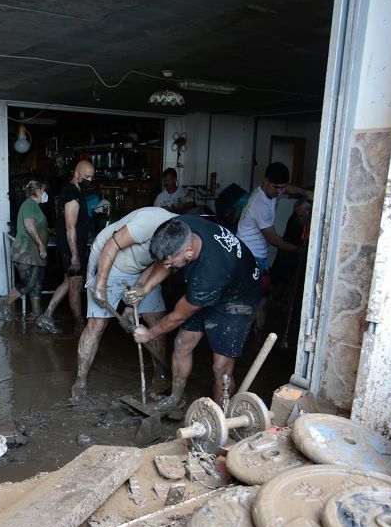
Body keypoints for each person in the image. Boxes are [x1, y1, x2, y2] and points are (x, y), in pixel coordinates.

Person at [131, 216, 262, 408]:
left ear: (189, 251)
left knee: (221, 368)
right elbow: (164, 261)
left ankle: (218, 417)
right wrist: (145, 288)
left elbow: (178, 316)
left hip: (237, 297)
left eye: (170, 263)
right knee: (182, 344)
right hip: (209, 285)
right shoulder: (178, 227)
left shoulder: (210, 273)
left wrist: (149, 334)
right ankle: (174, 399)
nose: (167, 268)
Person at [71, 206, 175, 398]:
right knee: (97, 324)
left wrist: (131, 303)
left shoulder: (180, 241)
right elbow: (111, 246)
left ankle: (160, 377)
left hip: (141, 268)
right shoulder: (148, 222)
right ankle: (80, 382)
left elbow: (161, 265)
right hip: (111, 260)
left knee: (157, 322)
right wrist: (100, 287)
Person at [37, 160, 95, 334]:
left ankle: (46, 316)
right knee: (76, 287)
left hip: (72, 248)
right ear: (77, 174)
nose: (89, 180)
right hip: (72, 249)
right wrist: (75, 255)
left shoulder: (76, 191)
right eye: (86, 177)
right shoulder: (71, 194)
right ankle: (81, 326)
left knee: (68, 282)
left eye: (92, 177)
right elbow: (70, 227)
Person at [235, 162, 312, 271]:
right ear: (266, 181)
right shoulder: (260, 204)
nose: (279, 192)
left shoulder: (269, 189)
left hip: (254, 253)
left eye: (282, 187)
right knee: (257, 286)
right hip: (250, 255)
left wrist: (305, 192)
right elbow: (273, 239)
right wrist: (298, 249)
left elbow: (287, 188)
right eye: (276, 187)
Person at [0, 180, 50, 320]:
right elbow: (29, 226)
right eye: (44, 190)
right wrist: (41, 244)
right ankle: (6, 305)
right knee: (28, 284)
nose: (45, 193)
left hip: (34, 254)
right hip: (25, 253)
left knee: (37, 284)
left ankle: (36, 313)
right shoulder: (29, 204)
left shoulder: (34, 206)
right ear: (38, 191)